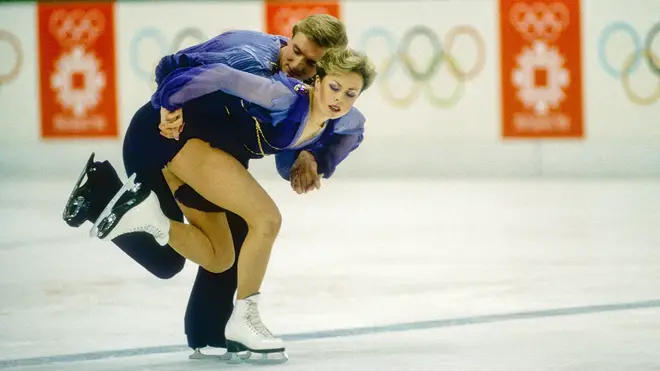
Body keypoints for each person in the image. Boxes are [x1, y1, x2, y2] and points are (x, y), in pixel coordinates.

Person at [60, 15, 356, 357]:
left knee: (208, 254)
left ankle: (209, 331)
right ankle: (101, 194)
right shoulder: (244, 53)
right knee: (178, 256)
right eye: (296, 50)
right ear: (289, 37)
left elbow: (292, 139)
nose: (297, 63)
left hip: (209, 151)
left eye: (311, 62)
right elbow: (171, 64)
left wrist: (309, 156)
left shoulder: (312, 93)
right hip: (166, 137)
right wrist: (168, 105)